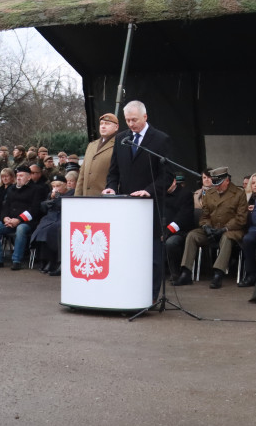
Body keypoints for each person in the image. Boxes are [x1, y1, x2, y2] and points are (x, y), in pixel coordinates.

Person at [102, 99, 174, 300]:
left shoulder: (160, 140)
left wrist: (148, 190)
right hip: (126, 207)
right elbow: (113, 171)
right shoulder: (122, 139)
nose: (131, 124)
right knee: (127, 253)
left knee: (152, 255)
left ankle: (149, 297)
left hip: (151, 206)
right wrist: (110, 187)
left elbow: (167, 175)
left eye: (134, 119)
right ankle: (127, 293)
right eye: (127, 120)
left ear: (145, 117)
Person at [176, 167, 247, 289]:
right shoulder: (209, 193)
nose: (216, 186)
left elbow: (241, 218)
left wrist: (224, 228)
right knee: (192, 235)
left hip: (232, 230)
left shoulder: (239, 193)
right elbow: (205, 215)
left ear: (226, 180)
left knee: (226, 238)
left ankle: (218, 273)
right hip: (212, 229)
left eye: (218, 184)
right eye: (214, 183)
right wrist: (206, 226)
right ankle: (186, 272)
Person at [0, 165, 45, 270]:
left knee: (21, 229)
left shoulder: (37, 189)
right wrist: (5, 218)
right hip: (10, 220)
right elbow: (5, 206)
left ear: (29, 177)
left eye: (21, 176)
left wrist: (18, 219)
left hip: (27, 222)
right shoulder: (11, 189)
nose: (18, 178)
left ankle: (16, 260)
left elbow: (34, 209)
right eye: (17, 175)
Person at [32, 174, 74, 276]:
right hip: (50, 218)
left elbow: (64, 206)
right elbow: (43, 209)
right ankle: (44, 260)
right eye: (54, 186)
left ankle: (53, 261)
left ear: (65, 185)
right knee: (40, 230)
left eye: (58, 186)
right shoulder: (51, 194)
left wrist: (56, 199)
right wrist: (50, 200)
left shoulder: (71, 193)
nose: (55, 189)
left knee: (51, 231)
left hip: (61, 218)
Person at [162, 174, 195, 282]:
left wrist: (167, 231)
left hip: (181, 231)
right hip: (162, 229)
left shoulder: (185, 194)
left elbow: (183, 217)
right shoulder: (162, 194)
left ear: (174, 182)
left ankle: (175, 272)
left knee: (171, 243)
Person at [76, 113, 118, 196]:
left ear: (116, 127)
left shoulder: (119, 145)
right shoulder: (91, 145)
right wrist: (77, 196)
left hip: (106, 199)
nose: (103, 126)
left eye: (107, 124)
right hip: (86, 199)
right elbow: (82, 174)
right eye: (101, 124)